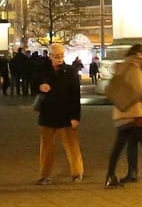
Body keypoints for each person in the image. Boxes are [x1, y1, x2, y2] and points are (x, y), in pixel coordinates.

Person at [103, 43, 142, 187]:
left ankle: (110, 176)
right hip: (136, 113)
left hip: (121, 113)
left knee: (118, 148)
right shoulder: (135, 69)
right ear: (138, 54)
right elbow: (140, 91)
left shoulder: (121, 68)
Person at [34, 41, 85, 184]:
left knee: (72, 145)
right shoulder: (42, 70)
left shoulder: (70, 72)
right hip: (47, 114)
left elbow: (75, 96)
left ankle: (77, 172)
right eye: (56, 55)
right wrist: (40, 86)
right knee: (46, 147)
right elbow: (34, 84)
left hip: (66, 114)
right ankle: (44, 175)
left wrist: (75, 117)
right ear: (50, 56)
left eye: (61, 55)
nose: (59, 58)